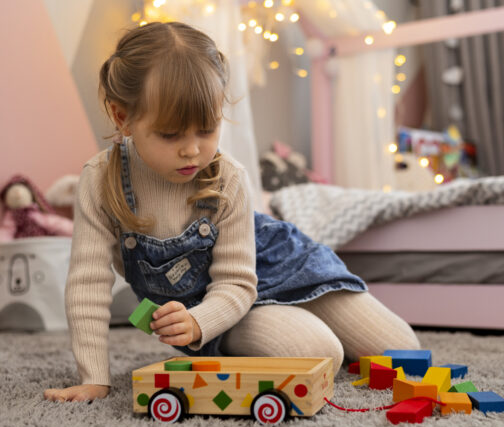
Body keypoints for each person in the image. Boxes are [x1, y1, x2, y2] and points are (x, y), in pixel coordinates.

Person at [44, 22, 419, 403]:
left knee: (405, 352)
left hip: (275, 266)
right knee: (323, 354)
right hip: (220, 309)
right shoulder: (99, 182)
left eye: (206, 129)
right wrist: (95, 377)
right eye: (171, 135)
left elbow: (239, 280)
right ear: (121, 117)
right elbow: (87, 286)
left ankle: (310, 313)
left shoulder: (229, 180)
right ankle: (285, 331)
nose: (192, 150)